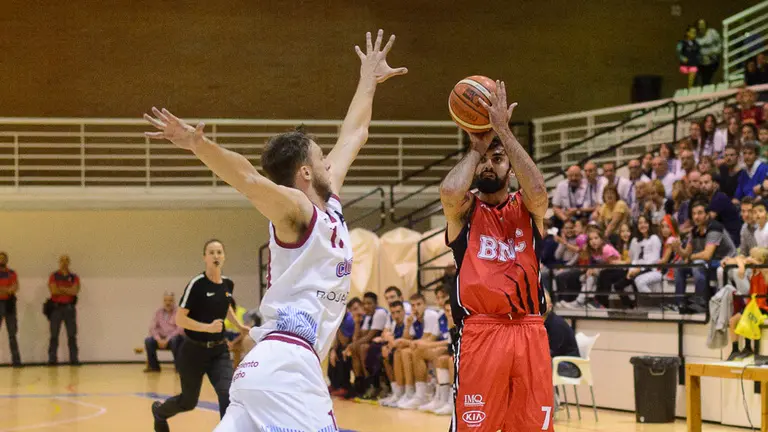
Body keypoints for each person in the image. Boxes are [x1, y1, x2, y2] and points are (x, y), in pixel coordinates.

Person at [145, 29, 407, 431]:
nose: (329, 163)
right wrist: (198, 145)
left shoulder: (327, 202)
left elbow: (355, 132)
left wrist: (368, 80)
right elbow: (249, 179)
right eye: (321, 159)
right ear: (305, 172)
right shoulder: (296, 208)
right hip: (288, 369)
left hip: (262, 367)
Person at [440, 80, 553, 431]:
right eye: (484, 162)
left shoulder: (527, 207)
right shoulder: (466, 209)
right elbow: (448, 190)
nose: (490, 165)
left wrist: (504, 131)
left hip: (529, 329)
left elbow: (538, 189)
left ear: (510, 167)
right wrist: (477, 147)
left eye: (498, 158)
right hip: (481, 332)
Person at [151, 240, 248, 432]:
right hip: (193, 351)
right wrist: (207, 327)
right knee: (188, 402)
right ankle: (160, 413)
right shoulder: (197, 284)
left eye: (219, 252)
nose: (216, 256)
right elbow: (180, 319)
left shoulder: (228, 284)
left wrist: (239, 325)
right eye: (211, 252)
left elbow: (225, 305)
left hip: (219, 350)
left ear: (224, 256)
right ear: (205, 257)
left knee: (227, 393)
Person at [48, 254, 80, 365]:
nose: (64, 262)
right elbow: (54, 291)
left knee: (72, 335)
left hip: (69, 309)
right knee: (54, 335)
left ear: (69, 262)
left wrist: (61, 288)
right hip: (56, 308)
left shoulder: (74, 277)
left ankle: (74, 359)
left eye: (66, 260)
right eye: (62, 260)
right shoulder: (54, 276)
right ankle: (52, 360)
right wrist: (68, 289)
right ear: (59, 262)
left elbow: (74, 291)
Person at [145, 292, 184, 372]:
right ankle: (154, 367)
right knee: (148, 341)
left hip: (174, 339)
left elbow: (180, 329)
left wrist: (167, 339)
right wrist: (158, 339)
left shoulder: (178, 312)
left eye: (170, 300)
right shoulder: (158, 312)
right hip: (161, 339)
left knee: (175, 340)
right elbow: (152, 328)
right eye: (166, 300)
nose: (168, 303)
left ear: (174, 301)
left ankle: (179, 367)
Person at [0, 252, 20, 367]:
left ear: (6, 260)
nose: (1, 260)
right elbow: (9, 289)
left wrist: (6, 290)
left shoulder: (11, 273)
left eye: (3, 258)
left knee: (12, 333)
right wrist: (7, 289)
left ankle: (16, 361)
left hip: (9, 305)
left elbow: (14, 287)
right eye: (0, 258)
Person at [695, 19, 722, 86]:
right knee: (704, 81)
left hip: (713, 60)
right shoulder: (696, 37)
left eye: (703, 24)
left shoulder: (712, 32)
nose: (701, 26)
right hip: (702, 63)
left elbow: (720, 44)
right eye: (700, 25)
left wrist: (713, 53)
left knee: (712, 78)